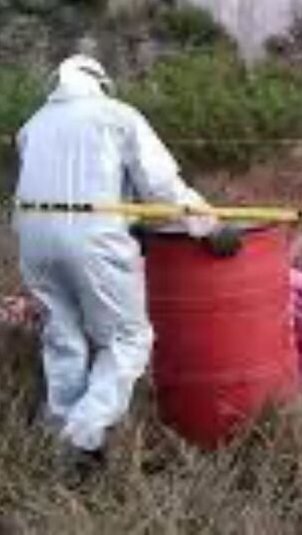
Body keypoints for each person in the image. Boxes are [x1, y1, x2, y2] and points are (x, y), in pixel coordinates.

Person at [13, 54, 221, 467]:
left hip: (32, 237)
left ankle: (57, 434)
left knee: (63, 336)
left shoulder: (32, 126)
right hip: (94, 238)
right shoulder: (117, 116)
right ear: (101, 83)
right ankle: (83, 433)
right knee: (128, 339)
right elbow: (161, 185)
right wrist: (209, 225)